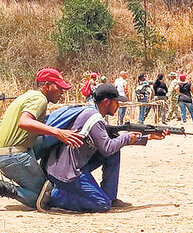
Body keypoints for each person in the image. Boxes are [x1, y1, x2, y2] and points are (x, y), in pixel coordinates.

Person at [39, 84, 167, 212]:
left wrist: (148, 137)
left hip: (67, 165)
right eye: (116, 102)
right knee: (101, 204)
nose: (118, 106)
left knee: (114, 152)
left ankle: (110, 197)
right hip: (67, 172)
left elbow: (112, 144)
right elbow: (107, 147)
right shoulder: (94, 118)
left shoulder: (91, 112)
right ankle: (53, 197)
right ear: (106, 102)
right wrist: (127, 137)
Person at [0, 68, 84, 212]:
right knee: (40, 197)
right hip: (14, 156)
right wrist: (59, 132)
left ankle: (42, 174)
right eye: (59, 87)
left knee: (52, 141)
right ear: (47, 86)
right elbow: (24, 122)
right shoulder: (39, 99)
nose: (62, 91)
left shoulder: (28, 96)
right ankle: (1, 187)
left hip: (5, 153)